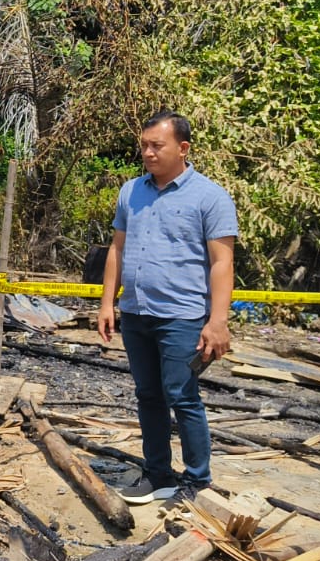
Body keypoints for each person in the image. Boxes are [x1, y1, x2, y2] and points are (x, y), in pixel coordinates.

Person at [99, 111, 237, 506]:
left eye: (156, 145)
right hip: (136, 313)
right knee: (148, 395)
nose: (148, 152)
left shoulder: (210, 197)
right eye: (144, 145)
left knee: (182, 395)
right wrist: (107, 303)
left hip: (182, 315)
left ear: (183, 148)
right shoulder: (131, 191)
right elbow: (117, 249)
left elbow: (222, 262)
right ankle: (157, 474)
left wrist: (217, 321)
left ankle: (197, 481)